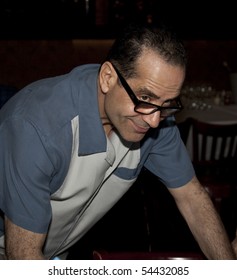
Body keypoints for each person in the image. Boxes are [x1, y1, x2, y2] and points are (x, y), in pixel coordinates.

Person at [0, 23, 236, 260]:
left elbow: (191, 196)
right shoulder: (36, 127)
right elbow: (23, 259)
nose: (154, 121)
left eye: (167, 104)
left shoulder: (155, 115)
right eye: (144, 97)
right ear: (107, 78)